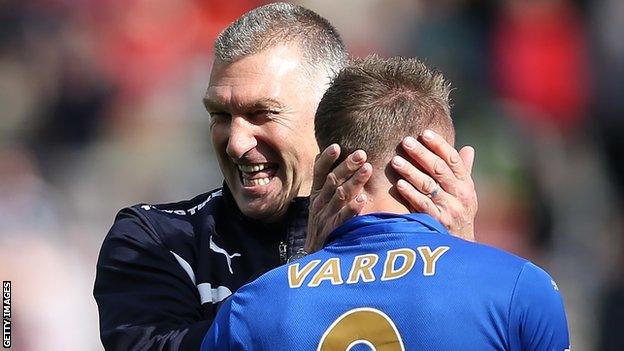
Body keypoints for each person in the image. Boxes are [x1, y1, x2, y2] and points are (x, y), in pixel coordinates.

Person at [94, 3, 478, 350]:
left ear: (329, 111)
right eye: (220, 115)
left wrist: (463, 265)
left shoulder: (415, 242)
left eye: (262, 114)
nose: (236, 143)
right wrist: (310, 276)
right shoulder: (157, 240)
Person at [201, 56, 570, 350]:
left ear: (327, 167)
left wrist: (307, 260)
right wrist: (462, 248)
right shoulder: (517, 288)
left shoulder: (250, 310)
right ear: (441, 167)